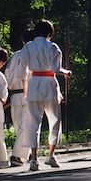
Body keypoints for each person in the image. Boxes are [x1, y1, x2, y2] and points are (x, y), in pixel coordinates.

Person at [21, 19, 72, 171]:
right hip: (49, 84)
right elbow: (56, 69)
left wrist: (25, 88)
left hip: (34, 84)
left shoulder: (28, 47)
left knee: (33, 122)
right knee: (54, 120)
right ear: (50, 33)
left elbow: (22, 70)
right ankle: (51, 154)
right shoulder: (53, 47)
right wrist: (66, 72)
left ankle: (34, 159)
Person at [4, 29, 35, 167]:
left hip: (15, 94)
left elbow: (7, 74)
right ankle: (18, 155)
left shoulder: (15, 55)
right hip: (28, 92)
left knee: (20, 125)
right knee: (24, 126)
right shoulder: (33, 54)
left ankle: (24, 153)